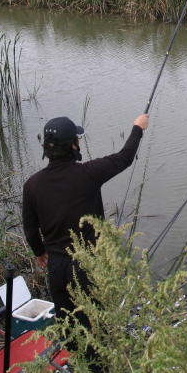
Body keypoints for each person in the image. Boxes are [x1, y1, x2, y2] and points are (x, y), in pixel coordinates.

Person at [22, 113, 149, 329]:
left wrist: (39, 252)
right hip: (87, 265)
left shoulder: (32, 185)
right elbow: (125, 157)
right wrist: (138, 128)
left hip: (56, 267)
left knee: (69, 323)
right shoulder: (89, 173)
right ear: (73, 146)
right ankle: (98, 360)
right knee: (95, 323)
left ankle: (75, 358)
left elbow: (30, 229)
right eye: (77, 139)